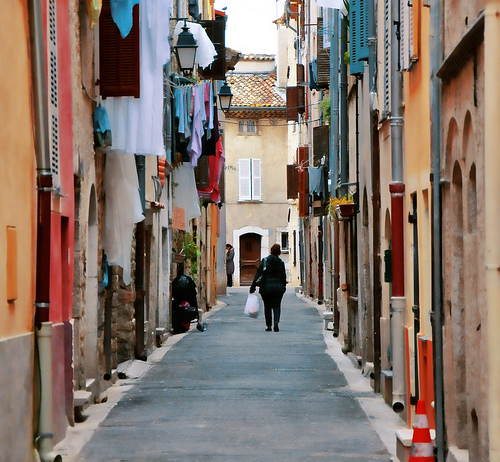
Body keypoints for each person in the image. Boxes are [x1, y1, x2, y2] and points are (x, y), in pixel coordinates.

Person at [250, 243, 287, 332]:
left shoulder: (265, 261)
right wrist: (283, 286)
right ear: (279, 252)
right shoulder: (281, 262)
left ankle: (268, 325)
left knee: (267, 306)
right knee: (277, 306)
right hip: (278, 288)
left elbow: (258, 274)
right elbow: (283, 276)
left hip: (265, 288)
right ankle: (276, 322)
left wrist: (253, 286)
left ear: (271, 250)